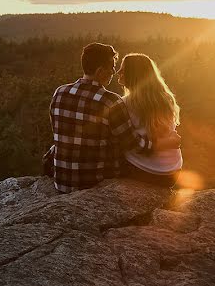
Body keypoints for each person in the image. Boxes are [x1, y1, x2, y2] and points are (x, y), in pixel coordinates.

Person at [47, 43, 179, 192]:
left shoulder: (59, 93)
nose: (114, 72)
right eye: (112, 67)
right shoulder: (110, 101)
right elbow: (134, 145)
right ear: (100, 71)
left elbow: (59, 133)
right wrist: (164, 143)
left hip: (62, 182)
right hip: (93, 184)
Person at [115, 53, 183, 187]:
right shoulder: (166, 98)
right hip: (172, 173)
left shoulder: (123, 104)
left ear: (133, 74)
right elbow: (171, 137)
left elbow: (131, 145)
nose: (118, 72)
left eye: (123, 69)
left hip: (144, 172)